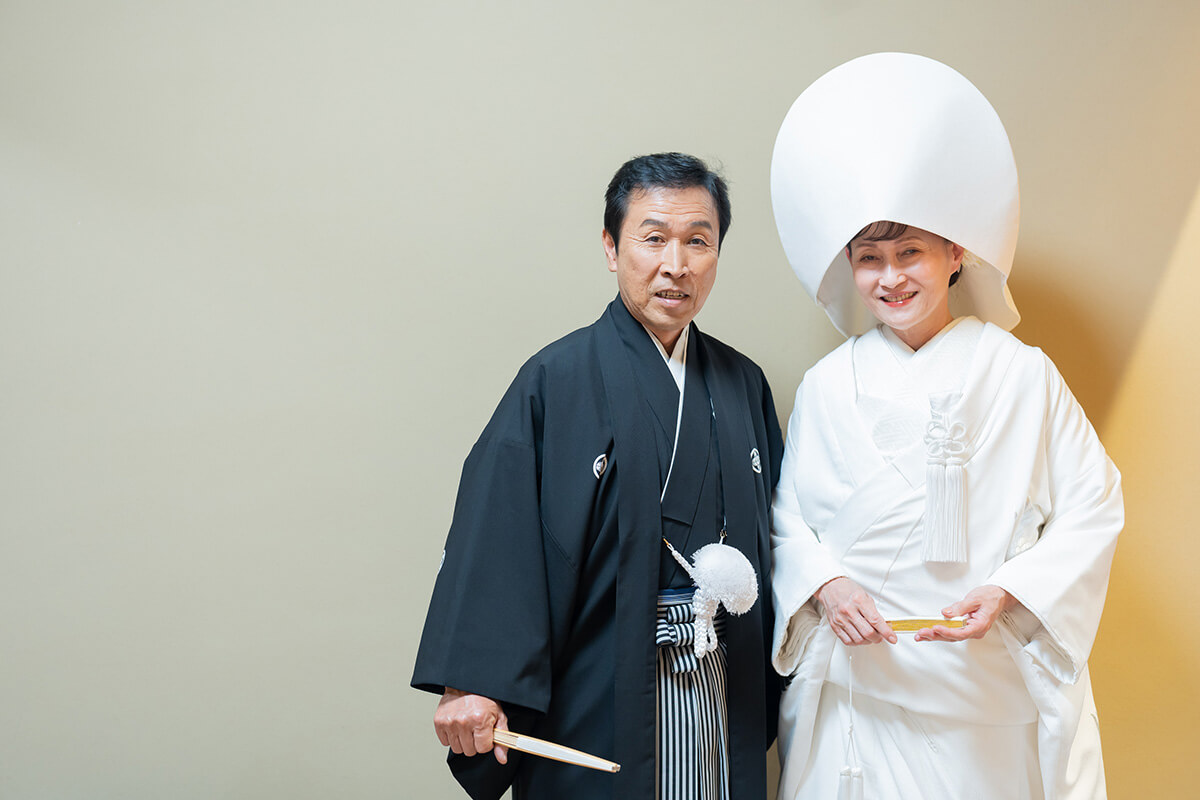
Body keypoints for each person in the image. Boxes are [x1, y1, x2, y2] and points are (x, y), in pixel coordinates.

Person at [767, 54, 1123, 800]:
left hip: (981, 687)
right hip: (859, 691)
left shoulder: (1021, 375)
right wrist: (826, 584)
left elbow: (1093, 507)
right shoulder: (827, 386)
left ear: (955, 253)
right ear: (849, 266)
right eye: (870, 259)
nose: (891, 278)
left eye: (911, 254)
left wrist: (1010, 590)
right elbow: (786, 520)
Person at [412, 152, 784, 800]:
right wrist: (471, 682)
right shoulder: (555, 380)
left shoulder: (742, 384)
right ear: (612, 248)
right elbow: (498, 538)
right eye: (654, 238)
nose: (676, 264)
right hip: (600, 694)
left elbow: (782, 538)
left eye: (698, 241)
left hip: (722, 686)